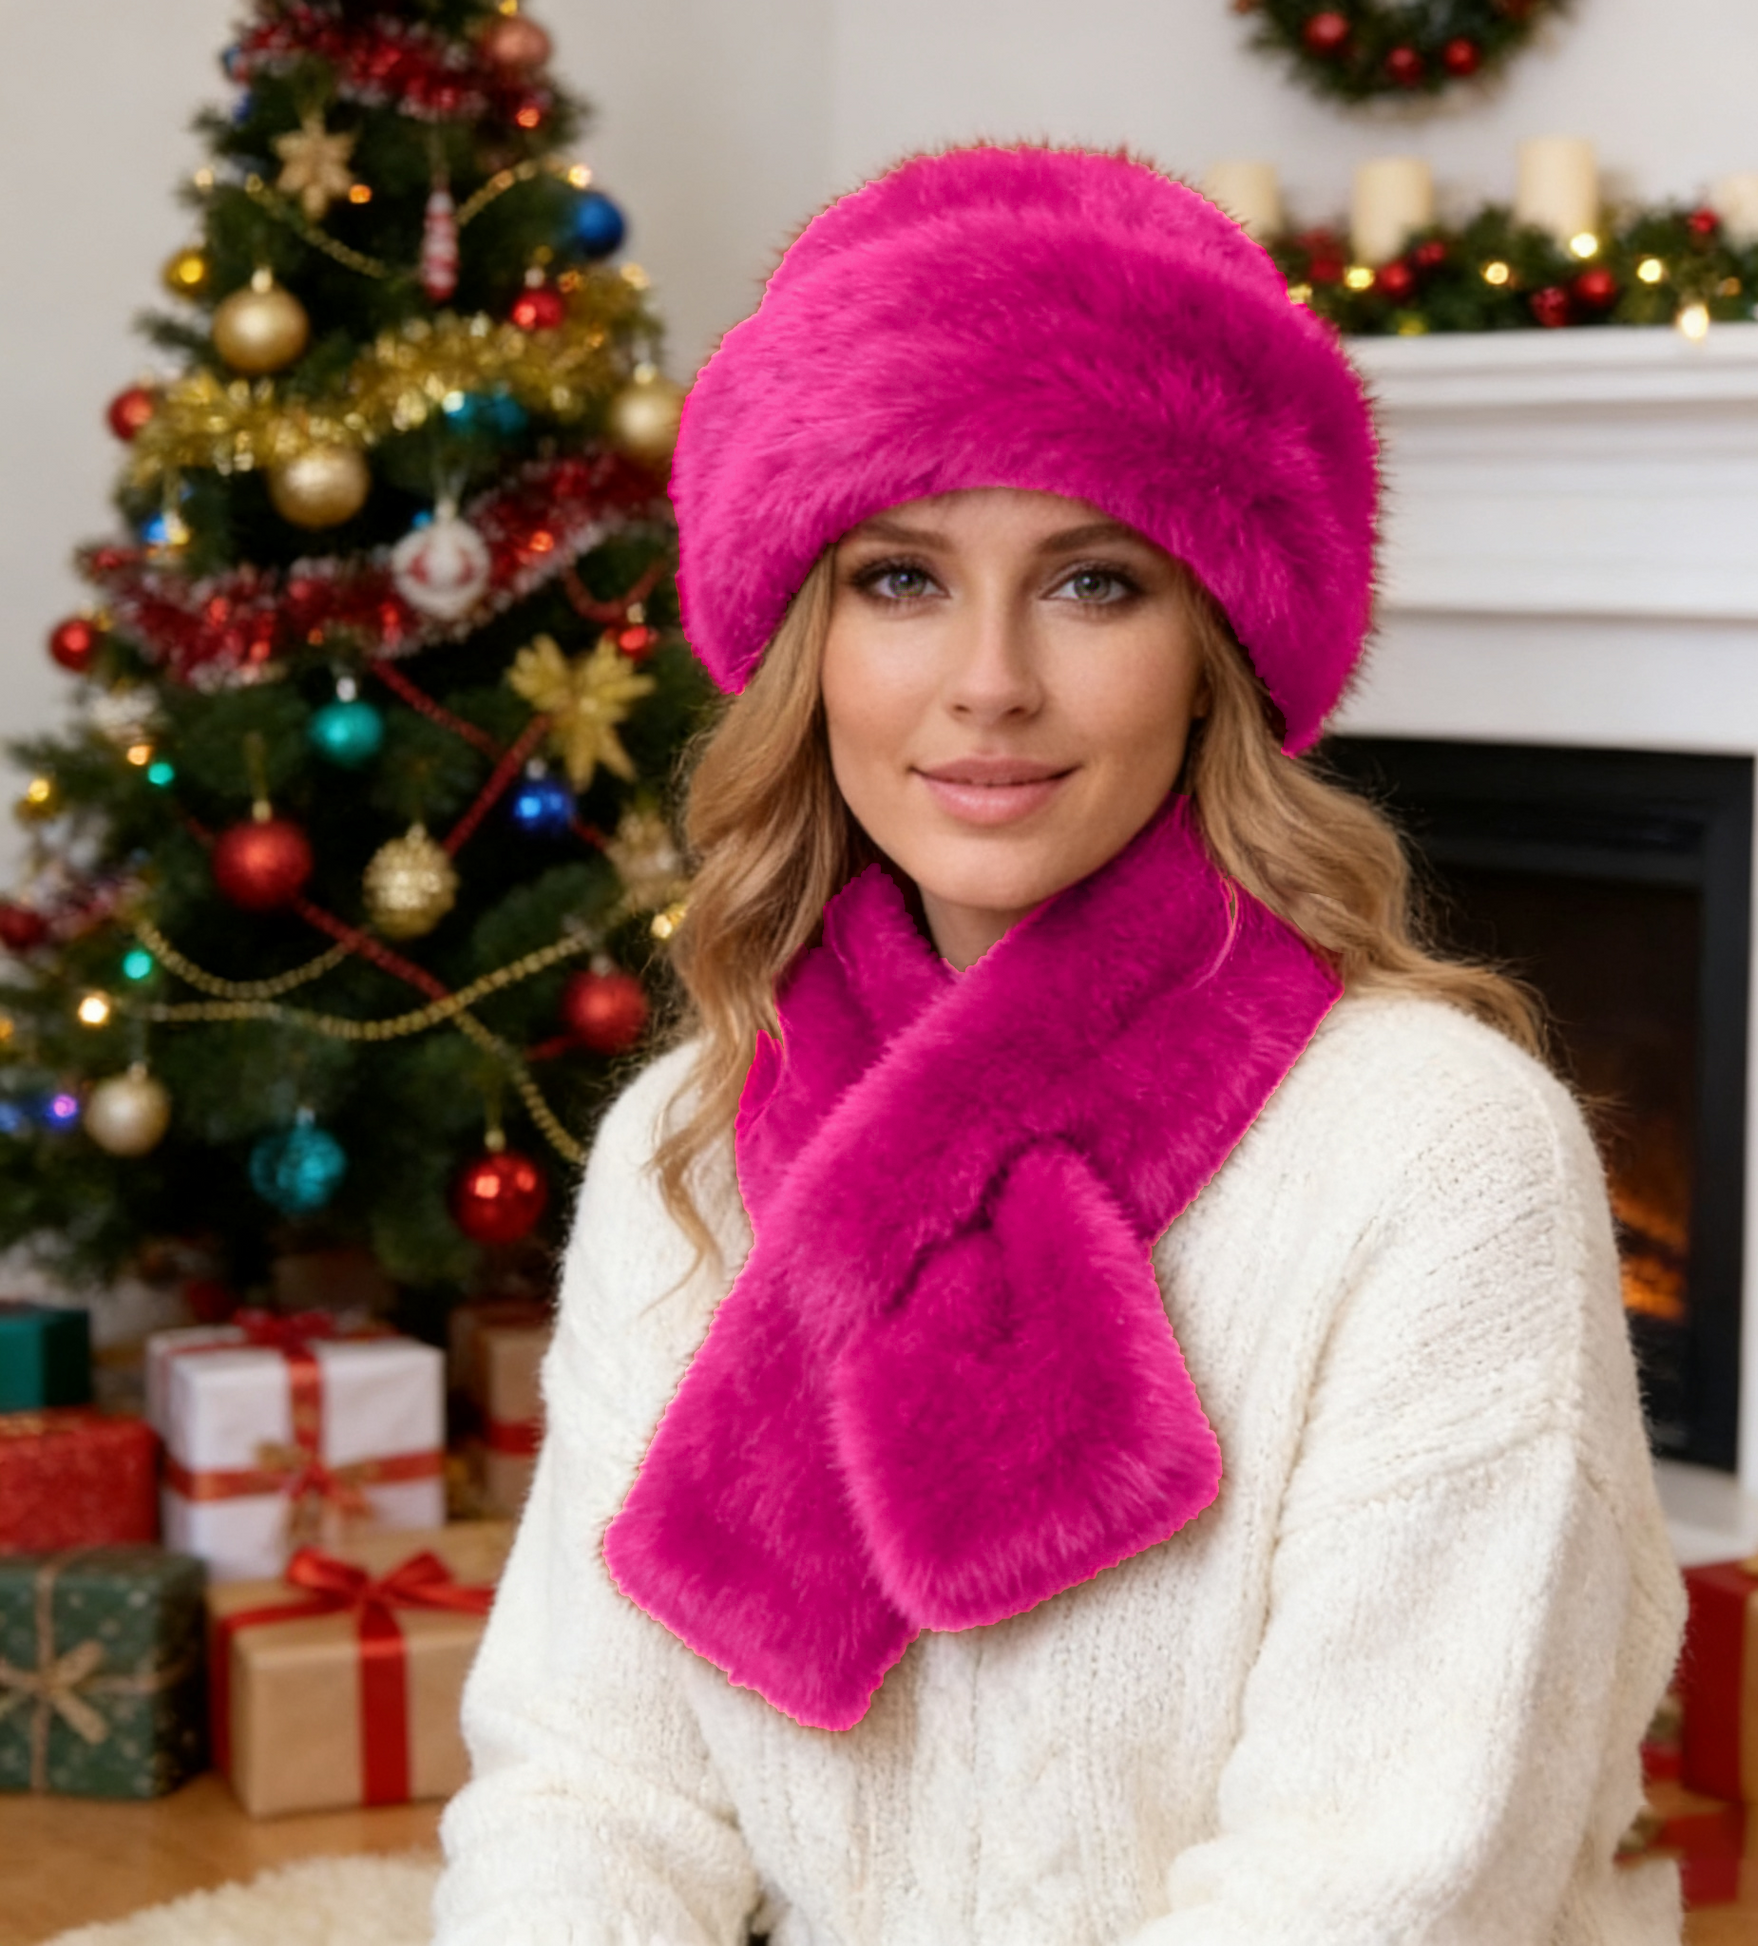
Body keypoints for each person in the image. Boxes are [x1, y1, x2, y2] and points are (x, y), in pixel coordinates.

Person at [432, 141, 1685, 1946]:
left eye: (1093, 583)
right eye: (900, 580)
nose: (990, 680)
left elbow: (1379, 1879)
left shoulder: (1436, 1150)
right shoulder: (688, 1143)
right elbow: (586, 1783)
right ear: (804, 641)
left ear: (1212, 649)